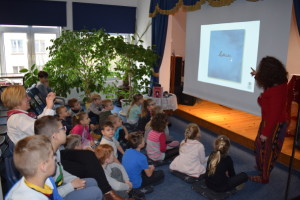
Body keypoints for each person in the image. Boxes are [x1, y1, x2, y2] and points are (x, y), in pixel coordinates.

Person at [34, 116, 102, 200]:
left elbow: (61, 171)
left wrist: (75, 179)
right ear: (54, 136)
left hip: (60, 186)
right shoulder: (45, 163)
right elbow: (50, 195)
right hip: (57, 195)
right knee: (96, 192)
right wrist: (71, 186)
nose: (65, 130)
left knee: (92, 181)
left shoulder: (56, 150)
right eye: (63, 128)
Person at [249, 56, 289, 184]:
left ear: (269, 74)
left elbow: (274, 115)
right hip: (270, 120)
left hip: (274, 123)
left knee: (266, 151)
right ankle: (262, 167)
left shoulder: (275, 91)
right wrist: (257, 75)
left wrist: (265, 133)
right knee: (260, 146)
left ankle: (264, 177)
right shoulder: (280, 82)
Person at [5, 135, 62, 200]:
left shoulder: (47, 179)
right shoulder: (27, 197)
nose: (55, 158)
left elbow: (57, 197)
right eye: (52, 156)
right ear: (43, 166)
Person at [122, 132, 164, 199]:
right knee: (161, 173)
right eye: (143, 140)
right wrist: (152, 168)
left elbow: (134, 164)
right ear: (140, 145)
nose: (145, 141)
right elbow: (149, 174)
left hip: (127, 180)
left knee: (145, 169)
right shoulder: (142, 157)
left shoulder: (127, 151)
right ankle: (140, 189)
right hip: (136, 183)